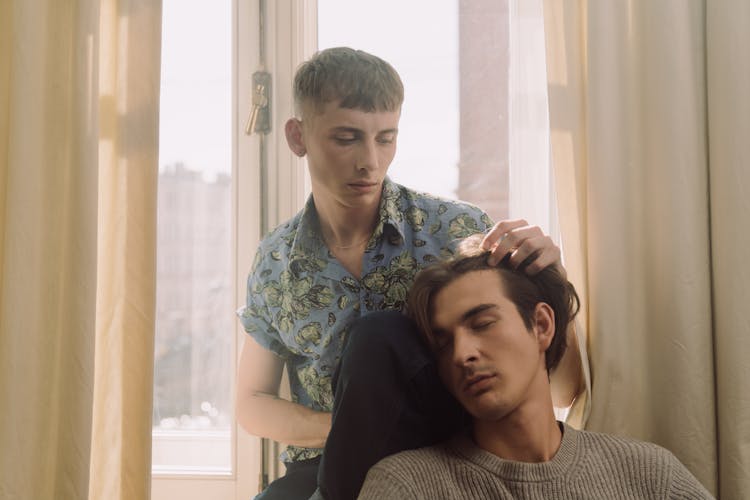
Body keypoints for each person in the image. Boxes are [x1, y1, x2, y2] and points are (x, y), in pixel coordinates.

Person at [236, 47, 583, 500]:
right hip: (323, 465)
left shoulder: (456, 230)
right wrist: (357, 427)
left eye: (385, 138)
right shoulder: (276, 259)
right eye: (346, 138)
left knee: (379, 335)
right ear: (297, 136)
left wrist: (551, 278)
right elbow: (251, 403)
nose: (370, 162)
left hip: (446, 457)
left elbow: (562, 388)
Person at [357, 235, 713, 499]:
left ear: (542, 325)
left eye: (482, 324)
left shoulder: (647, 474)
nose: (461, 354)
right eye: (443, 343)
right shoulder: (406, 486)